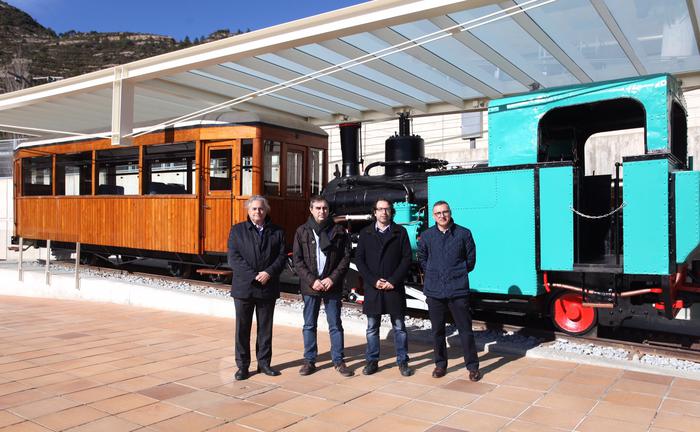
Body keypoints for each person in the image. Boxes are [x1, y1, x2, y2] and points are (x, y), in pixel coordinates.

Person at [418, 200, 481, 381]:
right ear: (433, 216)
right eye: (438, 213)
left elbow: (471, 260)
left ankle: (473, 367)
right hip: (434, 291)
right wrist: (434, 272)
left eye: (445, 212)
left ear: (450, 212)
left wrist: (456, 272)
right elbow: (422, 258)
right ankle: (440, 365)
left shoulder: (463, 233)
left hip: (458, 289)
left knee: (465, 331)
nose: (442, 216)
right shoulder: (427, 236)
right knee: (437, 331)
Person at [293, 195, 353, 377]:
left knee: (335, 324)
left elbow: (345, 258)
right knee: (309, 324)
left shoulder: (339, 231)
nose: (322, 211)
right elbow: (297, 260)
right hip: (310, 285)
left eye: (325, 208)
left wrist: (332, 279)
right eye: (318, 208)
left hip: (331, 285)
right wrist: (312, 280)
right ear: (311, 210)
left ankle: (338, 360)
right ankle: (309, 360)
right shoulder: (302, 231)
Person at [227, 195, 286, 381]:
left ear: (266, 210)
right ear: (248, 210)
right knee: (242, 329)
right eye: (254, 208)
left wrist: (268, 272)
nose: (257, 212)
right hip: (244, 288)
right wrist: (254, 275)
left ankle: (264, 363)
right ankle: (243, 366)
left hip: (267, 286)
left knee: (265, 329)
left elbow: (282, 257)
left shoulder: (277, 232)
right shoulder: (237, 231)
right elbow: (234, 258)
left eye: (261, 208)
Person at [355, 198, 413, 376]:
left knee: (399, 327)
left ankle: (402, 361)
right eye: (380, 209)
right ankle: (372, 361)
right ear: (374, 212)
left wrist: (393, 280)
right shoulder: (365, 233)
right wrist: (373, 281)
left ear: (391, 212)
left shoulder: (400, 232)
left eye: (387, 209)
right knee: (372, 327)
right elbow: (360, 260)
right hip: (374, 288)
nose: (383, 212)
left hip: (393, 287)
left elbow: (406, 259)